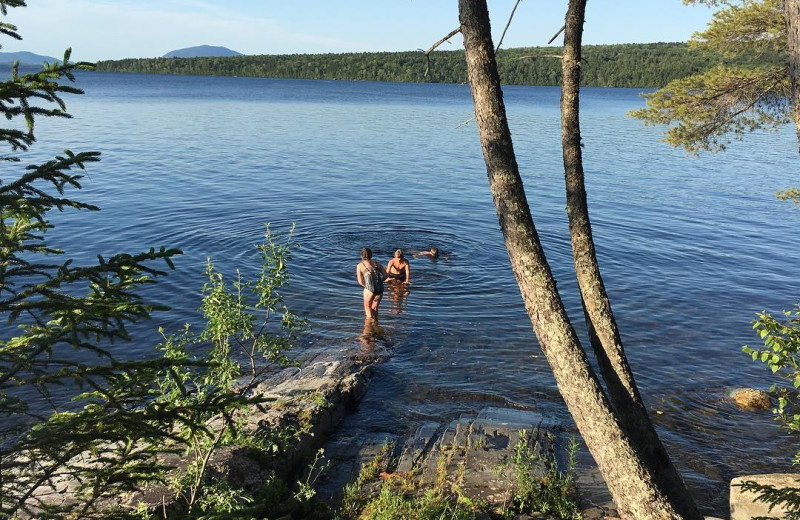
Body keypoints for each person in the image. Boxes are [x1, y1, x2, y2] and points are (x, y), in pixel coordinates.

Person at [356, 247, 387, 319]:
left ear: (361, 256)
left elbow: (360, 282)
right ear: (371, 255)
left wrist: (367, 286)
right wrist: (379, 281)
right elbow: (386, 275)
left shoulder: (360, 266)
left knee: (367, 306)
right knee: (375, 307)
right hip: (380, 288)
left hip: (370, 289)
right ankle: (376, 321)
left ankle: (370, 325)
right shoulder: (377, 264)